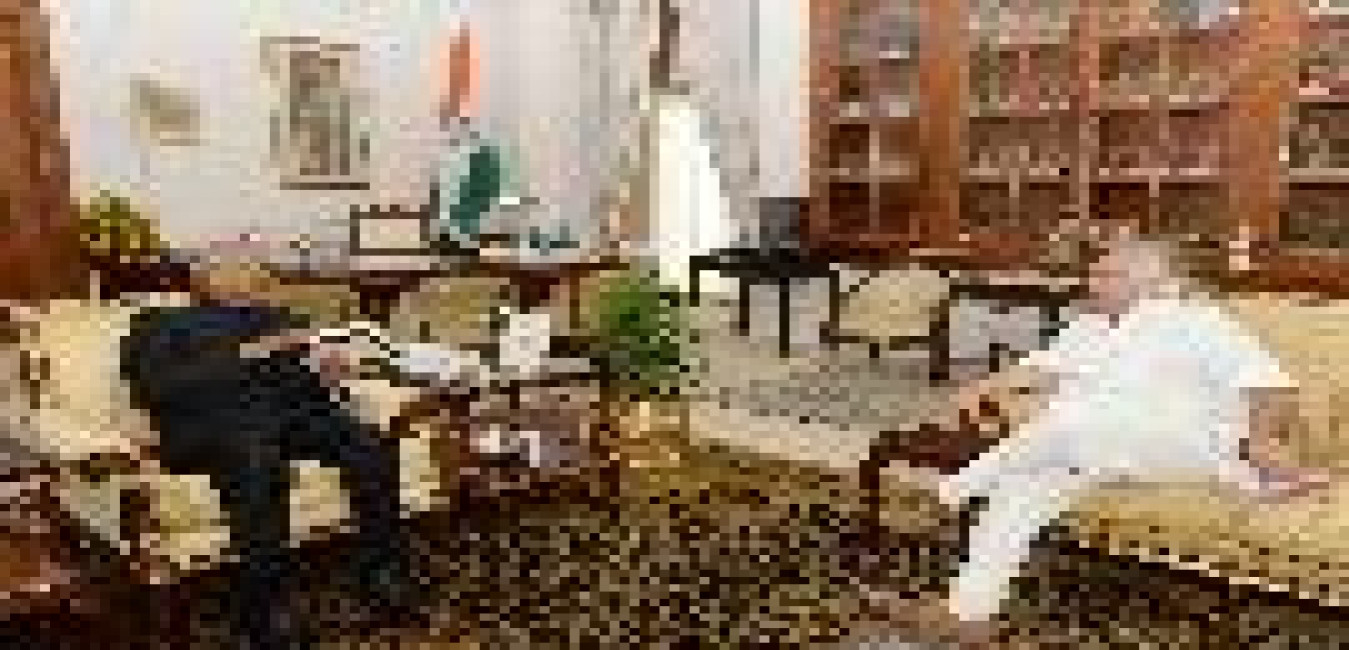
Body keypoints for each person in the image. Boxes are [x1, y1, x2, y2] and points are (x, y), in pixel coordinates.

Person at [882, 234, 1334, 648]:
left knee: (1068, 422)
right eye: (1096, 271)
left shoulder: (1196, 322)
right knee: (1021, 486)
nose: (1093, 281)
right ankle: (967, 612)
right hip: (1096, 444)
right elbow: (1041, 369)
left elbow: (1270, 384)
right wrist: (979, 388)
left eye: (1110, 274)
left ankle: (953, 490)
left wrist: (1259, 440)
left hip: (1185, 441)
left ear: (1162, 284)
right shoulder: (1090, 326)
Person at [119, 257, 422, 649]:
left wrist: (327, 373)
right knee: (257, 457)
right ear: (203, 279)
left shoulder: (281, 318)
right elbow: (158, 388)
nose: (253, 276)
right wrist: (248, 352)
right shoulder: (157, 323)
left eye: (254, 271)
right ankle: (261, 608)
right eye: (238, 266)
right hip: (211, 423)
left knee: (368, 444)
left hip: (288, 415)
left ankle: (382, 572)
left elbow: (305, 388)